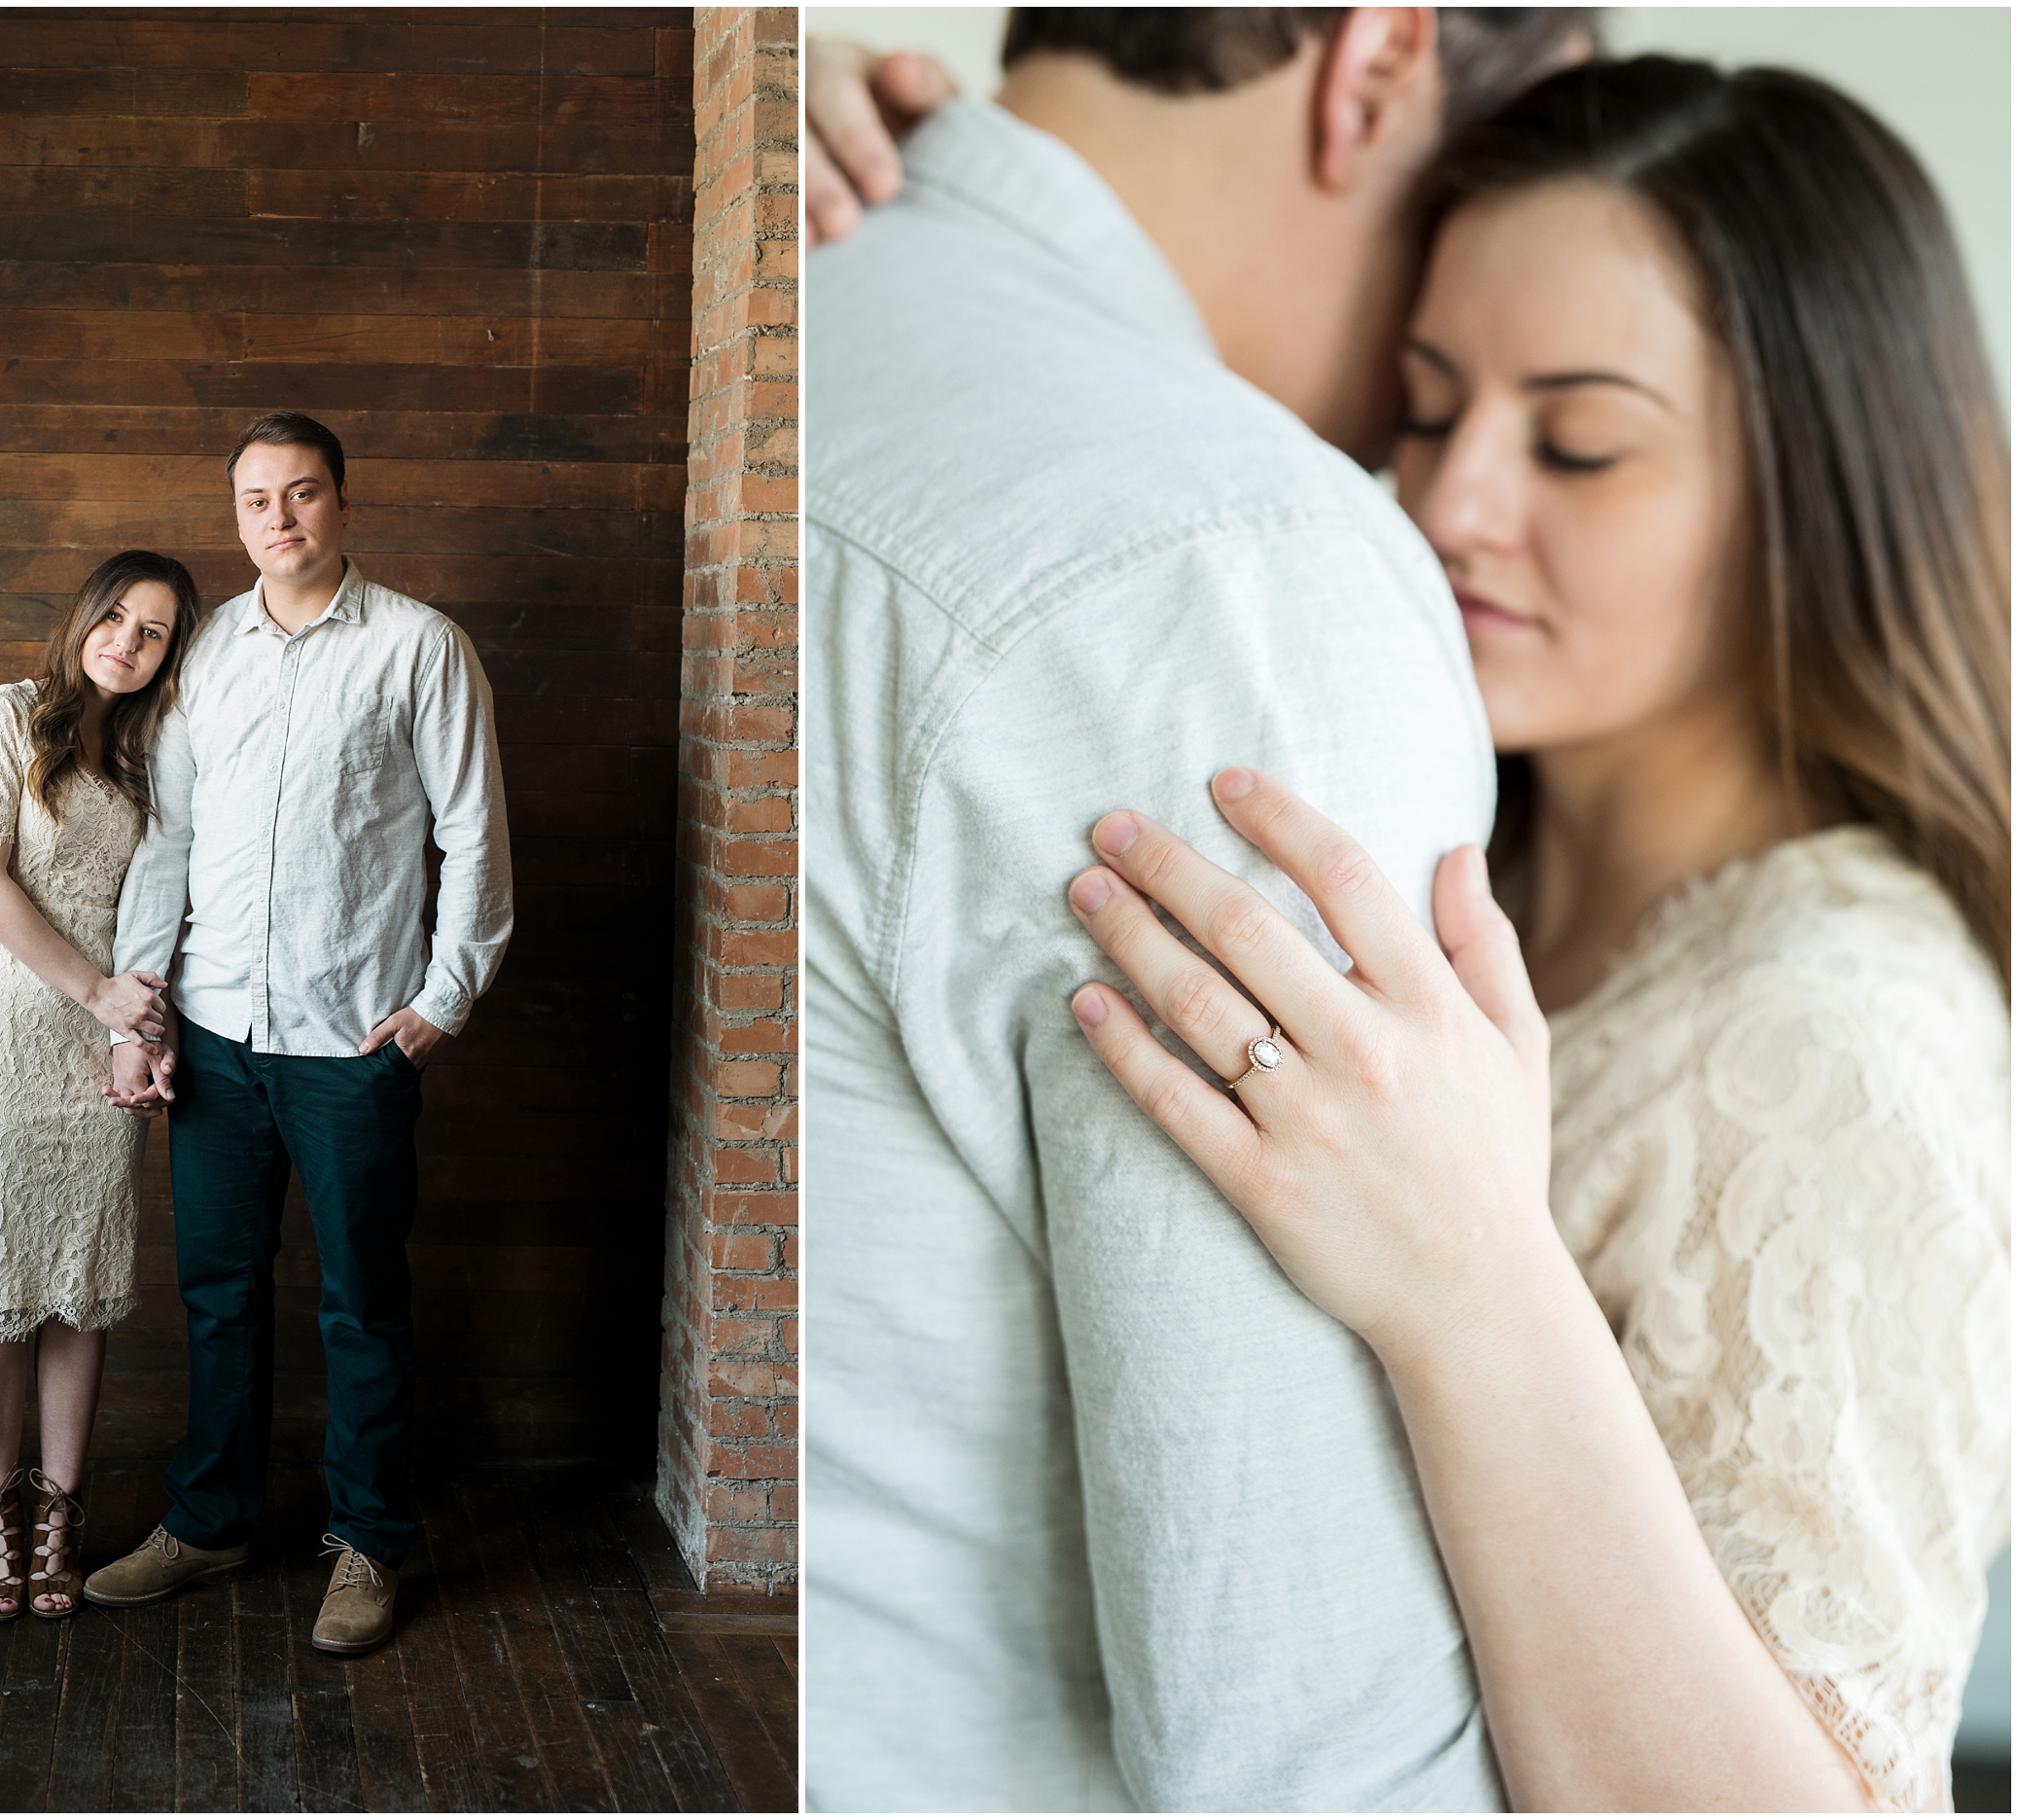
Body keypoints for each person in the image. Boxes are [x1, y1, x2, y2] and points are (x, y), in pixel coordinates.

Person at [816, 32, 2009, 1814]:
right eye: (1431, 403)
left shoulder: (1842, 1036)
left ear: (1812, 489)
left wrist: (1477, 1289)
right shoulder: (1458, 836)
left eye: (1583, 445)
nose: (1449, 505)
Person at [803, 9, 1588, 1809]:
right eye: (1489, 184)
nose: (1439, 467)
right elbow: (1319, 1755)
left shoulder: (785, 291)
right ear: (1378, 61)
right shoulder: (1244, 574)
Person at [81, 410, 513, 1659]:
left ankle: (368, 1541)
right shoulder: (203, 651)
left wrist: (444, 998)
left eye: (303, 494)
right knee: (219, 1296)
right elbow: (169, 841)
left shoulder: (420, 647)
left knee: (362, 1301)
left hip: (352, 1043)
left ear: (341, 502)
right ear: (237, 517)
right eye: (257, 500)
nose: (280, 519)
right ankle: (210, 1518)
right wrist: (144, 998)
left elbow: (474, 832)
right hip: (214, 1033)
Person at [0, 548, 195, 1623]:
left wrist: (141, 1032)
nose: (126, 643)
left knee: (81, 1284)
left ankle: (61, 1512)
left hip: (101, 1042)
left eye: (155, 631)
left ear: (173, 653)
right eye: (116, 617)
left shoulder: (153, 754)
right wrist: (100, 995)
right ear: (84, 616)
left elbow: (163, 905)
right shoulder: (2, 715)